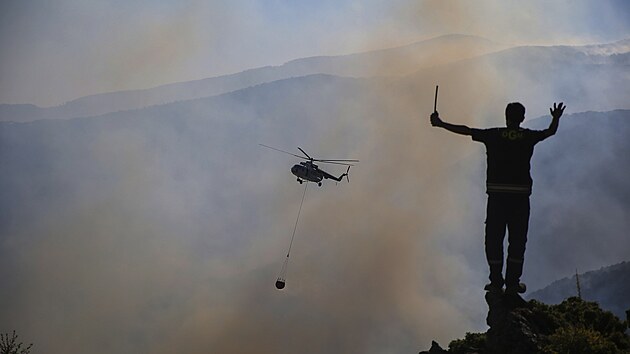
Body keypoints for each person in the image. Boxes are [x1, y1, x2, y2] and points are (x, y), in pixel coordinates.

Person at [430, 102, 566, 295]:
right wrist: (556, 118)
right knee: (517, 241)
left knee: (494, 240)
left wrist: (441, 123)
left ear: (506, 116)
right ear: (522, 117)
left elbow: (466, 131)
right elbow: (550, 132)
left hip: (497, 198)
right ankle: (512, 283)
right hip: (520, 199)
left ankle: (496, 282)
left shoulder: (493, 135)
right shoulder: (528, 136)